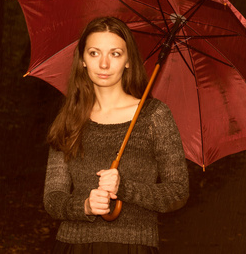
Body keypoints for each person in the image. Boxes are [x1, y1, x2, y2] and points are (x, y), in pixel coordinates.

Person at [44, 16, 189, 253]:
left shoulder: (154, 116)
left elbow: (178, 191)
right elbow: (52, 198)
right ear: (82, 60)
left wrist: (125, 188)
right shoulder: (69, 119)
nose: (103, 64)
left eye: (114, 54)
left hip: (135, 246)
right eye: (94, 53)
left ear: (128, 61)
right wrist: (84, 207)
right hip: (73, 246)